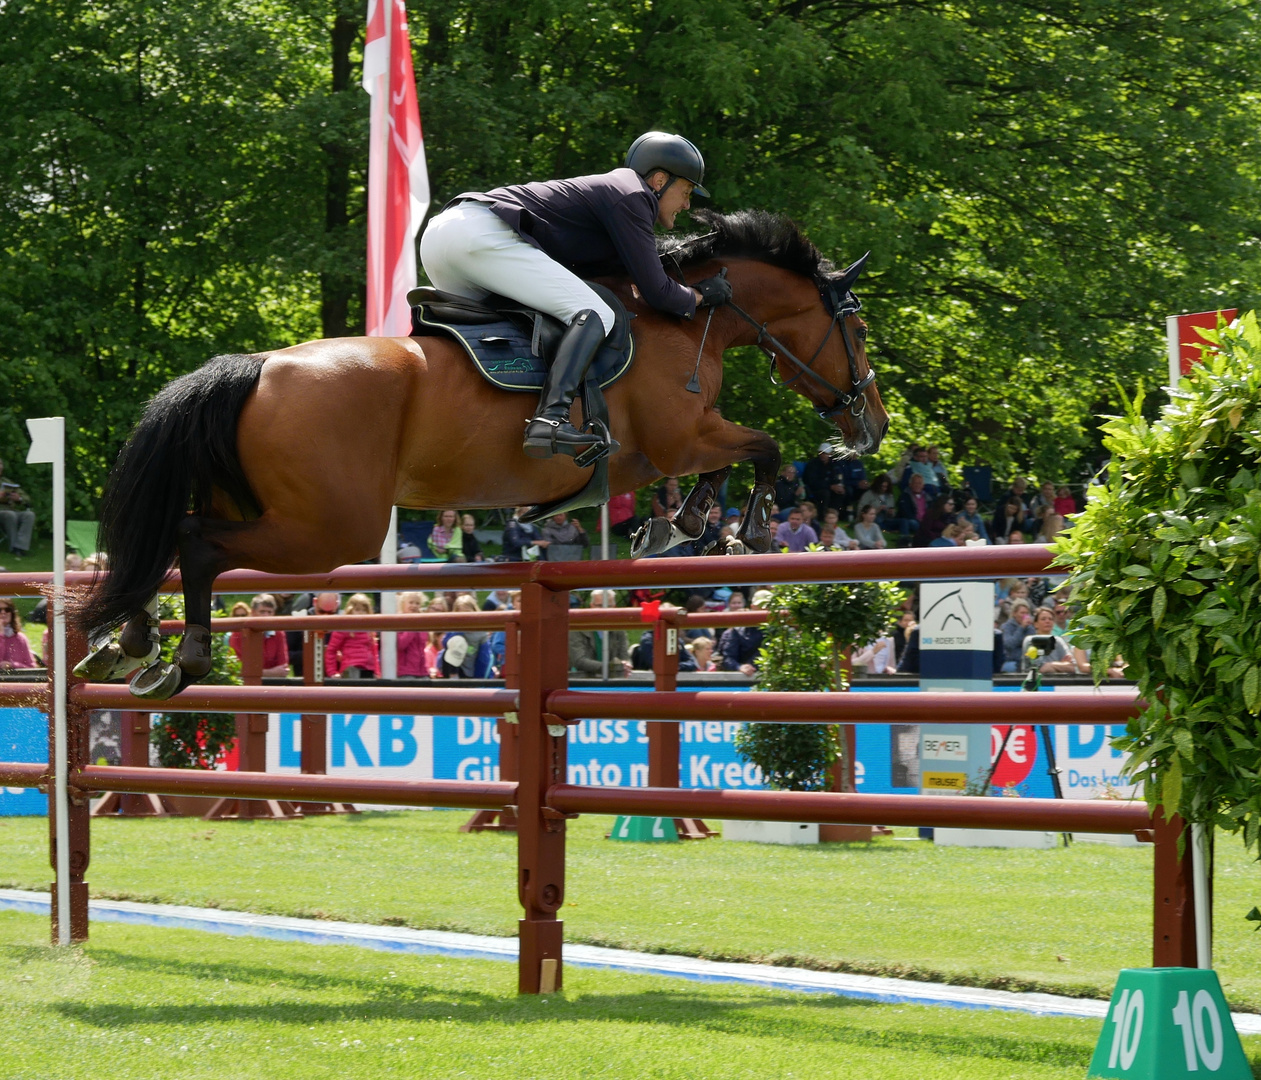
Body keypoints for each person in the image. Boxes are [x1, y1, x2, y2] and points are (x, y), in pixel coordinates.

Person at [419, 131, 730, 460]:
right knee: (596, 315)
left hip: (441, 238)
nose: (686, 204)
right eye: (685, 192)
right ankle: (550, 419)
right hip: (477, 235)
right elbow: (659, 293)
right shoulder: (633, 195)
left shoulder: (617, 195)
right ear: (658, 180)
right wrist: (701, 295)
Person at [569, 590, 632, 676]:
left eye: (608, 606)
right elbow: (579, 661)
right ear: (591, 606)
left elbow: (624, 656)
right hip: (581, 680)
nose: (603, 610)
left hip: (613, 681)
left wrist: (625, 664)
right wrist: (610, 668)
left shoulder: (619, 628)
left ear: (614, 607)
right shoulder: (577, 627)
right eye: (599, 605)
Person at [228, 594, 289, 677]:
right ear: (253, 612)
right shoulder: (238, 634)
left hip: (273, 684)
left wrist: (255, 672)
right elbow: (235, 669)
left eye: (269, 612)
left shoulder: (278, 633)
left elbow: (283, 668)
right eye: (262, 612)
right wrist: (270, 673)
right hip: (245, 685)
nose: (266, 616)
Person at [285, 590, 341, 677]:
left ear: (336, 606)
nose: (325, 617)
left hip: (336, 682)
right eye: (321, 612)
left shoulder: (343, 625)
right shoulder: (299, 623)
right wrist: (310, 654)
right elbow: (285, 655)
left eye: (330, 613)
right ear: (315, 602)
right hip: (303, 681)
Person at [717, 589, 772, 674]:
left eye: (768, 606)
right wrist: (740, 667)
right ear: (753, 607)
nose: (765, 609)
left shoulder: (781, 632)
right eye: (761, 606)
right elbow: (728, 659)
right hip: (744, 680)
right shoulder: (737, 631)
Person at [325, 593, 380, 679]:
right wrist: (332, 672)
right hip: (351, 668)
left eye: (364, 610)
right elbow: (331, 650)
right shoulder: (344, 627)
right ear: (350, 611)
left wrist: (377, 671)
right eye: (357, 610)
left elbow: (374, 652)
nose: (361, 613)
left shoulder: (369, 630)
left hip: (369, 669)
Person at [1020, 606, 1077, 674]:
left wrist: (1051, 665)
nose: (1047, 621)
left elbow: (1072, 667)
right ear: (1036, 624)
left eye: (1050, 619)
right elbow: (1041, 668)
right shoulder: (1030, 640)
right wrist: (1061, 665)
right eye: (1043, 619)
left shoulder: (1058, 641)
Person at [0, 459, 34, 559]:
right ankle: (14, 548)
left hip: (11, 510)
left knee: (29, 515)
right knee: (10, 515)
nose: (0, 467)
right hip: (3, 512)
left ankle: (21, 547)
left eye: (1, 464)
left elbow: (27, 498)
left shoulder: (6, 482)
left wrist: (18, 498)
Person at [802, 444, 847, 515]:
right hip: (815, 489)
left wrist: (839, 486)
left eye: (825, 453)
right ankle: (822, 515)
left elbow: (838, 476)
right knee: (825, 494)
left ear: (830, 454)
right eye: (821, 453)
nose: (823, 455)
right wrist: (829, 486)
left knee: (841, 492)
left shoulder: (834, 464)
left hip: (830, 488)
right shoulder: (812, 464)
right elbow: (811, 481)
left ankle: (834, 514)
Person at [396, 591, 428, 679]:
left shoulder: (421, 623)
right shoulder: (398, 621)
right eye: (411, 602)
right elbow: (401, 644)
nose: (414, 606)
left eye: (417, 603)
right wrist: (412, 625)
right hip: (405, 670)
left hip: (421, 670)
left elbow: (422, 646)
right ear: (403, 604)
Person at [999, 598, 1033, 673]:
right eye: (1022, 613)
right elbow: (1009, 645)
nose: (1025, 616)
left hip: (1026, 660)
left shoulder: (1030, 628)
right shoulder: (1006, 627)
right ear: (1014, 613)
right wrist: (1021, 628)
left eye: (1027, 613)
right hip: (1011, 660)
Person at [0, 599, 35, 670]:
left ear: (12, 613)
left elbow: (31, 667)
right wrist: (1, 635)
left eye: (7, 610)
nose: (3, 612)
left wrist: (12, 665)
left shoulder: (20, 638)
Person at [893, 473, 928, 538]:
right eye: (915, 483)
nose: (917, 485)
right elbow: (905, 512)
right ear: (910, 484)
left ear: (923, 485)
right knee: (912, 523)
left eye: (919, 483)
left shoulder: (928, 497)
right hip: (912, 520)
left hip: (925, 521)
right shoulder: (905, 496)